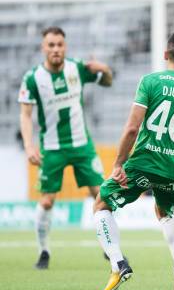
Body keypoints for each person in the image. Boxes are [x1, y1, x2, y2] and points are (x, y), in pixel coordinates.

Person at [93, 32, 174, 290]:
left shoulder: (150, 82)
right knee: (165, 211)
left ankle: (117, 263)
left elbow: (133, 127)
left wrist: (118, 163)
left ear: (164, 55)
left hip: (143, 163)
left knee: (102, 204)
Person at [19, 26, 113, 270]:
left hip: (82, 145)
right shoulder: (33, 78)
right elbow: (26, 115)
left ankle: (109, 248)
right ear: (43, 48)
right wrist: (29, 145)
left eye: (59, 44)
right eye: (51, 45)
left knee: (102, 195)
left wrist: (104, 70)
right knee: (47, 201)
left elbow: (107, 83)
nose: (56, 49)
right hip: (51, 148)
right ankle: (43, 252)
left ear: (65, 46)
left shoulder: (77, 68)